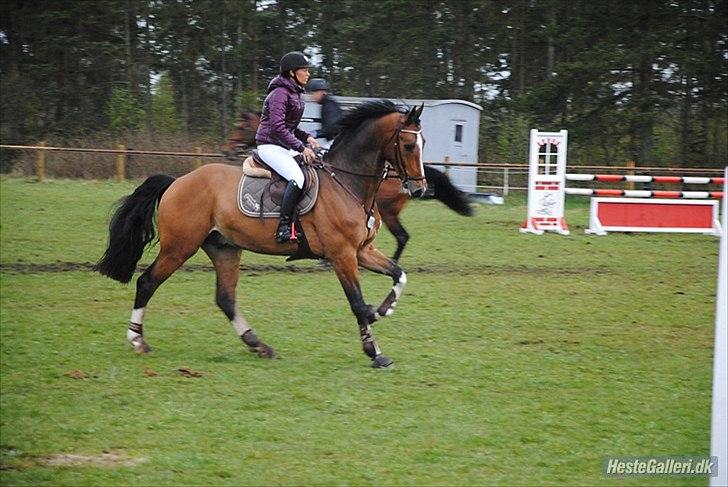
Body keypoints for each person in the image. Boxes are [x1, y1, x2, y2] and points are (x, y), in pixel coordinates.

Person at [255, 51, 320, 243]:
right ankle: (283, 227)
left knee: (315, 167)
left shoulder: (294, 92)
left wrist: (307, 137)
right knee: (297, 178)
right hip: (269, 145)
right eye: (304, 70)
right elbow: (277, 128)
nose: (308, 74)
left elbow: (290, 126)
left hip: (282, 144)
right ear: (292, 72)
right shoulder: (280, 93)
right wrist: (301, 148)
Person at [307, 78, 342, 146]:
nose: (312, 97)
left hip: (335, 141)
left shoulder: (330, 105)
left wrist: (313, 133)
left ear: (322, 92)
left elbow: (331, 129)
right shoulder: (327, 104)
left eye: (313, 93)